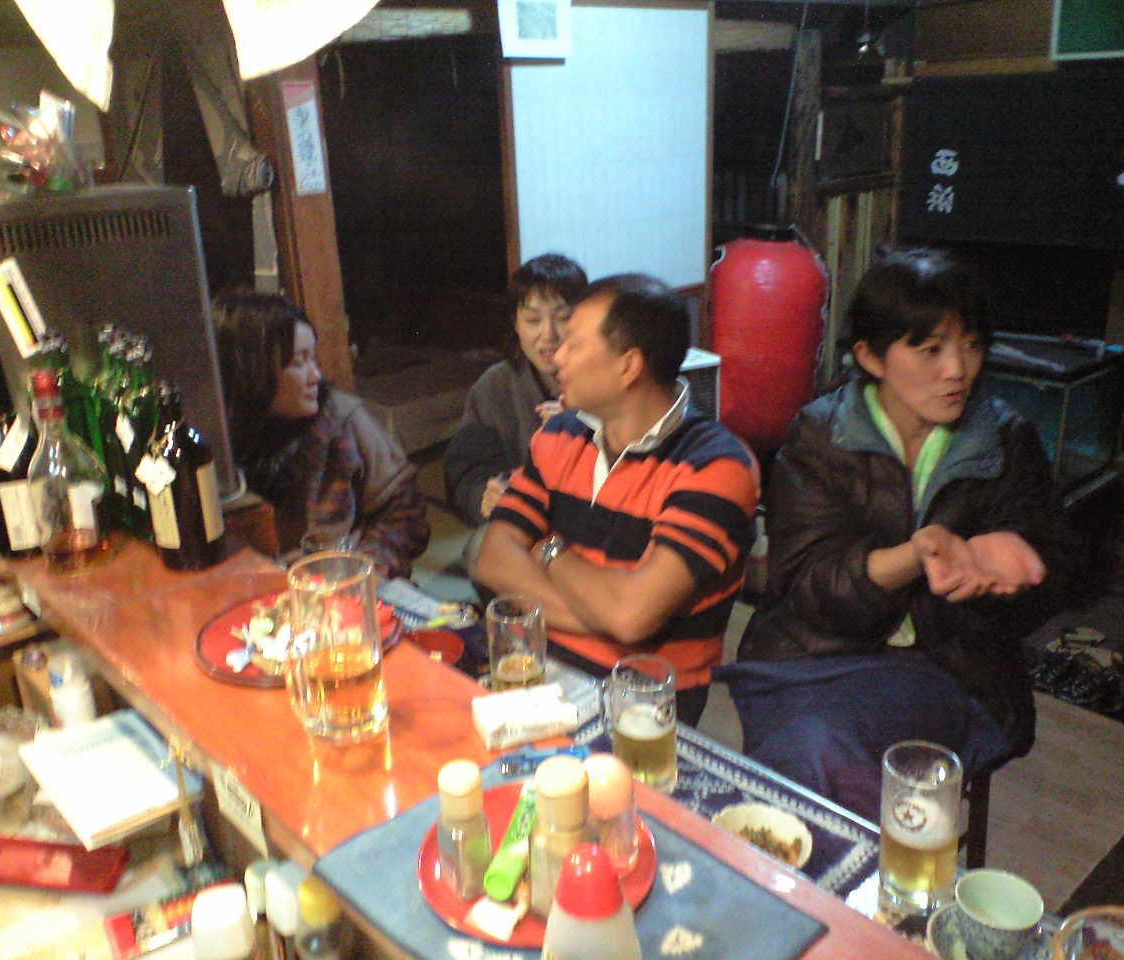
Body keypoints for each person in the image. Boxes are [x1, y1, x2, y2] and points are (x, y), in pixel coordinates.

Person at [716, 248, 1078, 821]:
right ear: (870, 356)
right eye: (930, 349)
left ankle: (823, 863)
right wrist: (917, 553)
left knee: (810, 751)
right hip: (812, 652)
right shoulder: (821, 434)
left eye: (972, 345)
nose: (957, 369)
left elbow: (1055, 571)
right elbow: (805, 583)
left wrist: (1009, 570)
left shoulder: (1006, 439)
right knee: (809, 748)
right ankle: (868, 861)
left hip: (947, 668)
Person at [474, 274, 758, 726]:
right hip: (541, 664)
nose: (556, 356)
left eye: (574, 345)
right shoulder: (559, 435)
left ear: (628, 366)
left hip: (642, 696)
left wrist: (548, 550)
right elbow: (491, 559)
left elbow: (630, 615)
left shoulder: (715, 467)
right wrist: (607, 618)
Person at [213, 290, 429, 578]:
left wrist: (366, 569)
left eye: (312, 357)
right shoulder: (213, 443)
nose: (315, 375)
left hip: (341, 580)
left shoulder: (340, 418)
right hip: (258, 587)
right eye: (299, 362)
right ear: (252, 371)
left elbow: (404, 511)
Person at [444, 254, 588, 555]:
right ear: (516, 323)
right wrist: (483, 495)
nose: (548, 335)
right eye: (533, 320)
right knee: (481, 552)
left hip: (598, 522)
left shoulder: (605, 378)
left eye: (563, 318)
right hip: (527, 525)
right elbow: (464, 469)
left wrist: (584, 429)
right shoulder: (495, 387)